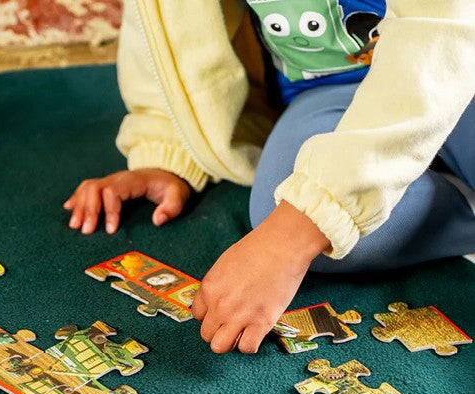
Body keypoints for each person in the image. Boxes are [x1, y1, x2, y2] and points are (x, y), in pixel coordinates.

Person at [63, 0, 475, 354]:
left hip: (459, 65)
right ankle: (458, 202)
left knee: (300, 226)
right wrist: (166, 145)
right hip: (324, 96)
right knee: (281, 211)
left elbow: (442, 39)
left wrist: (296, 231)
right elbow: (168, 25)